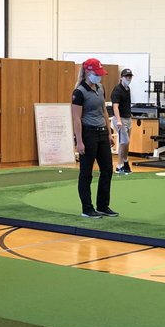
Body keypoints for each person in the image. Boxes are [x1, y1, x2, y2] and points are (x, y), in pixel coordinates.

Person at [71, 58, 118, 218]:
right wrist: (79, 141)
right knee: (86, 173)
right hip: (88, 134)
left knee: (107, 170)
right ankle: (87, 208)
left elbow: (104, 110)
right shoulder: (79, 92)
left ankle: (103, 205)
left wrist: (109, 133)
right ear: (87, 72)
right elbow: (76, 118)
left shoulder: (100, 88)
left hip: (101, 132)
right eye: (96, 73)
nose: (99, 76)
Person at [110, 67, 134, 175]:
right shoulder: (117, 90)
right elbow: (115, 107)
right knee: (124, 141)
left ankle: (123, 164)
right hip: (120, 119)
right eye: (126, 76)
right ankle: (122, 163)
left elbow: (126, 104)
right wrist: (119, 121)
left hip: (128, 118)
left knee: (125, 143)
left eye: (130, 77)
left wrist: (129, 114)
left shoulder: (128, 89)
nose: (128, 78)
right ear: (121, 78)